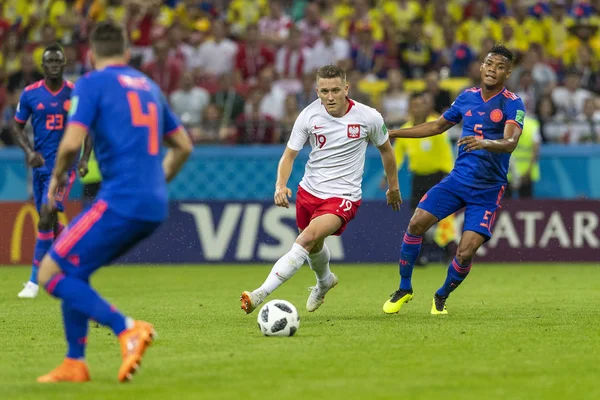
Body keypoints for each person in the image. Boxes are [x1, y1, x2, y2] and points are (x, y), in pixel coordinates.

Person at [35, 21, 193, 383]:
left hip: (120, 200)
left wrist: (55, 183)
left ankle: (127, 328)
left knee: (50, 272)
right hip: (153, 203)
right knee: (75, 270)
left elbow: (72, 143)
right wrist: (158, 180)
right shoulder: (150, 87)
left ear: (91, 55)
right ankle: (75, 362)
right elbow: (183, 146)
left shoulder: (91, 83)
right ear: (126, 53)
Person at [240, 64, 402, 314]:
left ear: (346, 89)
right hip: (309, 191)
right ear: (317, 91)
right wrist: (280, 185)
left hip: (343, 196)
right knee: (314, 246)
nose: (330, 97)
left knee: (305, 240)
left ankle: (259, 293)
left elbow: (387, 150)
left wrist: (393, 186)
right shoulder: (308, 115)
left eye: (336, 90)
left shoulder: (368, 117)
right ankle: (325, 281)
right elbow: (288, 156)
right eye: (324, 91)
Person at [382, 44, 526, 315]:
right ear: (481, 67)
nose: (492, 69)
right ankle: (404, 288)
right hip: (457, 180)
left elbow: (510, 142)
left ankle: (441, 295)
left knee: (465, 251)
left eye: (499, 66)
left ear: (507, 73)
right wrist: (397, 132)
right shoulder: (467, 97)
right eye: (489, 63)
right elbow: (437, 126)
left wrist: (484, 143)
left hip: (488, 189)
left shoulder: (512, 103)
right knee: (416, 223)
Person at [12, 44, 81, 299]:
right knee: (49, 225)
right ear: (43, 66)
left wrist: (83, 159)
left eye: (57, 61)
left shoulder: (74, 93)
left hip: (63, 169)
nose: (53, 65)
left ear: (64, 64)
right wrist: (29, 152)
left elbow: (88, 128)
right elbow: (16, 126)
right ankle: (74, 251)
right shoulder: (30, 94)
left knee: (44, 216)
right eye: (49, 61)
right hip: (41, 168)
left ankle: (33, 282)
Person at [382, 92, 456, 266]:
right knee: (416, 218)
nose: (417, 108)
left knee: (442, 216)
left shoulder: (436, 125)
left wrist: (450, 174)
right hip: (418, 179)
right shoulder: (407, 129)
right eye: (413, 105)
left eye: (420, 105)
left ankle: (448, 251)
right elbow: (397, 155)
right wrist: (387, 176)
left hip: (438, 177)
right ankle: (419, 255)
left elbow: (446, 152)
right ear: (410, 108)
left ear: (426, 107)